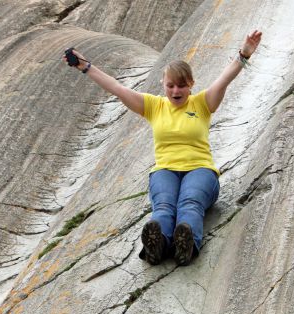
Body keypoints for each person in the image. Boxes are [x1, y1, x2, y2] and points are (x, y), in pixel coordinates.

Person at [64, 30, 262, 266]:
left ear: (191, 85)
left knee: (190, 202)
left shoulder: (202, 102)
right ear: (163, 84)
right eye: (170, 86)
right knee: (165, 205)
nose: (176, 91)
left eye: (181, 86)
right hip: (164, 170)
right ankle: (158, 244)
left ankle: (187, 242)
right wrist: (85, 67)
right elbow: (117, 88)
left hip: (200, 170)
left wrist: (244, 54)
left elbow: (225, 78)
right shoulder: (154, 106)